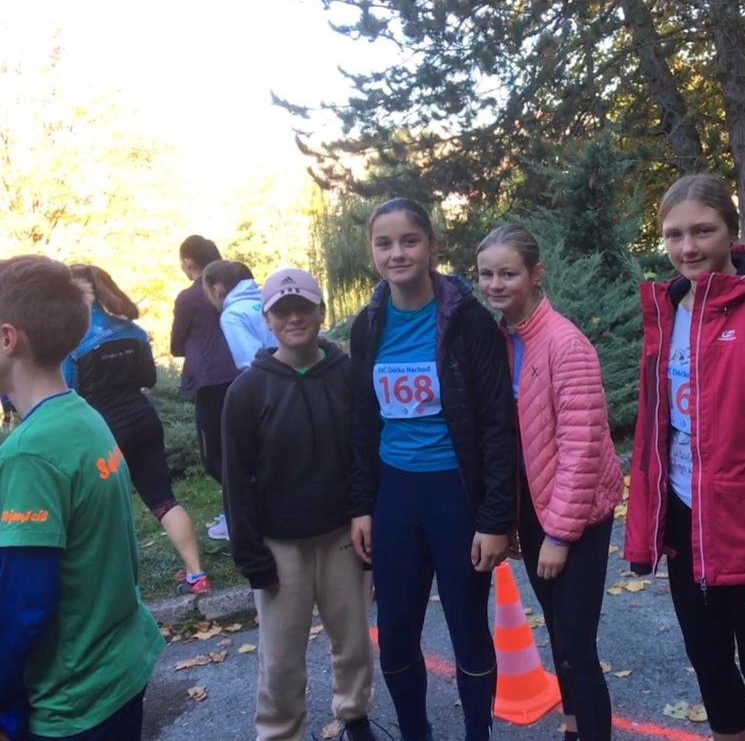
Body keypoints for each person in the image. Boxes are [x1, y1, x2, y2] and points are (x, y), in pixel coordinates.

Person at [624, 175, 745, 741]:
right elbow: (654, 432)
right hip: (686, 523)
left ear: (731, 232)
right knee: (708, 662)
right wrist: (647, 524)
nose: (688, 247)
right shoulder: (667, 312)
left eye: (703, 231)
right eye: (674, 235)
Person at [349, 198, 515, 741]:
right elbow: (362, 421)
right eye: (384, 243)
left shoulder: (468, 321)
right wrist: (361, 506)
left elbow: (497, 425)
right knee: (396, 631)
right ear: (372, 251)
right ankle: (415, 732)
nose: (397, 253)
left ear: (431, 246)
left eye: (409, 241)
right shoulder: (368, 325)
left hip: (455, 496)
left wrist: (494, 519)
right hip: (396, 496)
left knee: (467, 627)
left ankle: (477, 734)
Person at [0, 256, 164, 741]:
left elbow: (25, 605)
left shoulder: (29, 453)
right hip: (120, 667)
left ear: (8, 339)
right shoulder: (84, 415)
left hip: (72, 702)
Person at [477, 224, 623, 741]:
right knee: (560, 635)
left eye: (508, 273)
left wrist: (560, 534)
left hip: (575, 516)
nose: (496, 284)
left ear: (535, 274)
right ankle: (573, 727)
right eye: (487, 274)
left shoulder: (565, 344)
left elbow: (582, 447)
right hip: (536, 508)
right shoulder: (502, 340)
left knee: (577, 645)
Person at [221, 268, 376, 741]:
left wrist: (363, 511)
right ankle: (280, 730)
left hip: (341, 536)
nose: (294, 318)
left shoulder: (347, 374)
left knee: (353, 643)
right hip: (279, 545)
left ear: (320, 311)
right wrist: (251, 556)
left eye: (303, 307)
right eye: (282, 310)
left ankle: (354, 714)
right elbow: (235, 480)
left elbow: (363, 450)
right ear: (267, 320)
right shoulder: (248, 390)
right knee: (281, 659)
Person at [63, 264, 209, 594]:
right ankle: (196, 574)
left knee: (101, 510)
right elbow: (149, 379)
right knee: (163, 499)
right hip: (143, 419)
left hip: (100, 430)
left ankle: (113, 588)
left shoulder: (72, 339)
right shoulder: (133, 331)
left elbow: (69, 391)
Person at [202, 259, 276, 541]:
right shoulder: (265, 301)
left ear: (217, 288)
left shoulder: (232, 315)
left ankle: (252, 524)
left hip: (269, 393)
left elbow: (250, 362)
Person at [170, 235, 238, 492]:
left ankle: (241, 504)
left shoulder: (188, 298)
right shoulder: (236, 288)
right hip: (243, 374)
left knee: (213, 456)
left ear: (188, 261)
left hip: (209, 382)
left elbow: (176, 346)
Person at [203, 260, 277, 370]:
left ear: (216, 290)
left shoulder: (233, 315)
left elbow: (252, 363)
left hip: (273, 378)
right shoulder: (270, 302)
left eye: (207, 293)